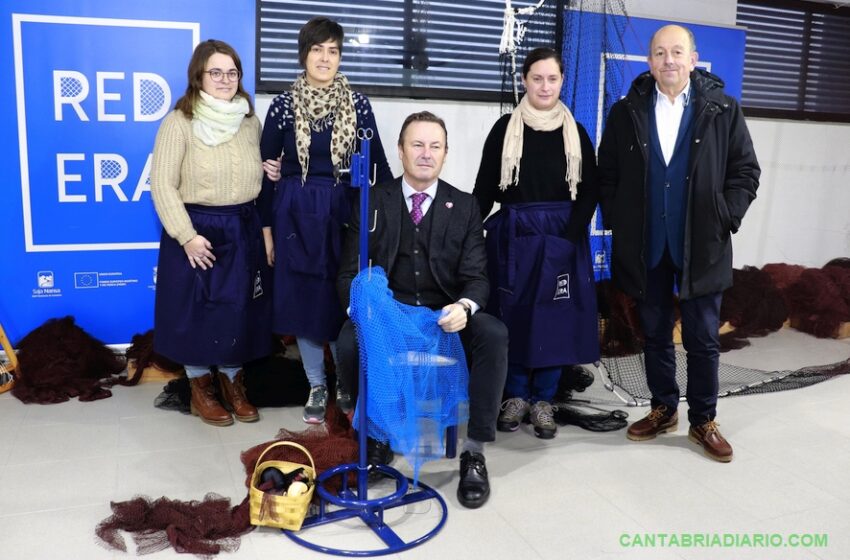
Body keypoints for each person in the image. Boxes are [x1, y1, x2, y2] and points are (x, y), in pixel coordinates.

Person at [597, 25, 760, 462]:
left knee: (704, 339)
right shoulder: (626, 112)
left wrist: (726, 215)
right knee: (653, 335)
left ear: (693, 58)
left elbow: (745, 172)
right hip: (646, 245)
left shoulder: (723, 110)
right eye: (659, 53)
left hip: (702, 246)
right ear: (649, 62)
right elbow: (606, 173)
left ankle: (703, 419)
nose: (668, 60)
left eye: (676, 52)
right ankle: (663, 408)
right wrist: (619, 221)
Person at [336, 112, 509, 509]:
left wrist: (465, 307)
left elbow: (478, 278)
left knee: (493, 333)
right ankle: (375, 437)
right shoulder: (371, 201)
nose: (426, 154)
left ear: (446, 154)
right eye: (417, 144)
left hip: (443, 316)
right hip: (388, 317)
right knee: (348, 340)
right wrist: (366, 311)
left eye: (435, 146)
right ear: (400, 150)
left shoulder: (465, 206)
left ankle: (474, 451)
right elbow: (348, 273)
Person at [259, 17, 392, 425]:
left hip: (342, 212)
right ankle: (316, 384)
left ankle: (345, 383)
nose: (325, 57)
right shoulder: (282, 105)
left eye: (333, 50)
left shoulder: (359, 104)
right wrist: (266, 231)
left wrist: (387, 221)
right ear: (304, 54)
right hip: (294, 213)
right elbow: (264, 173)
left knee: (342, 299)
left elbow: (379, 169)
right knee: (302, 303)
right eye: (318, 49)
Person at [473, 47, 600, 440]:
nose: (545, 86)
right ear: (524, 80)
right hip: (515, 236)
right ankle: (514, 397)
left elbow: (590, 191)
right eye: (537, 78)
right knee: (513, 316)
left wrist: (567, 237)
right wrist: (463, 235)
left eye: (553, 79)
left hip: (561, 238)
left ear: (562, 82)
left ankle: (544, 400)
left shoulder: (576, 132)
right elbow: (483, 189)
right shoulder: (503, 130)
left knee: (554, 319)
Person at [151, 39, 278, 426]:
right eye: (216, 72)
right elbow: (161, 184)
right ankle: (199, 388)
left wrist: (268, 170)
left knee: (238, 310)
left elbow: (252, 172)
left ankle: (231, 383)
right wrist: (186, 235)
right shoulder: (179, 122)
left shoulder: (249, 122)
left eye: (232, 72)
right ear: (199, 76)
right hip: (197, 230)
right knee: (196, 313)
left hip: (243, 226)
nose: (225, 79)